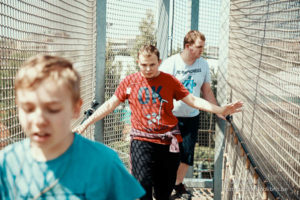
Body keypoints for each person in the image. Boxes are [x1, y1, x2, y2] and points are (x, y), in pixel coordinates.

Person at [73, 44, 243, 200]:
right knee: (142, 188)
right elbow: (110, 104)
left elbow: (193, 100)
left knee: (164, 191)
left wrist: (219, 110)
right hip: (142, 141)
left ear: (159, 62)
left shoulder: (169, 81)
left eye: (152, 65)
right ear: (138, 62)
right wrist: (84, 124)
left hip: (168, 143)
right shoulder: (129, 81)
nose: (147, 69)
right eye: (143, 65)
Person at [0, 55, 145, 200]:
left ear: (76, 109)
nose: (39, 121)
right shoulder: (7, 163)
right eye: (28, 108)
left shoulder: (104, 164)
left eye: (53, 109)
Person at [160, 30, 224, 196]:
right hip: (171, 117)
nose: (202, 50)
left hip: (192, 117)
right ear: (188, 47)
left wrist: (219, 111)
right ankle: (163, 187)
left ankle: (177, 184)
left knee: (187, 155)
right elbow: (161, 91)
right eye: (199, 47)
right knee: (168, 156)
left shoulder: (203, 64)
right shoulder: (170, 64)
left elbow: (207, 91)